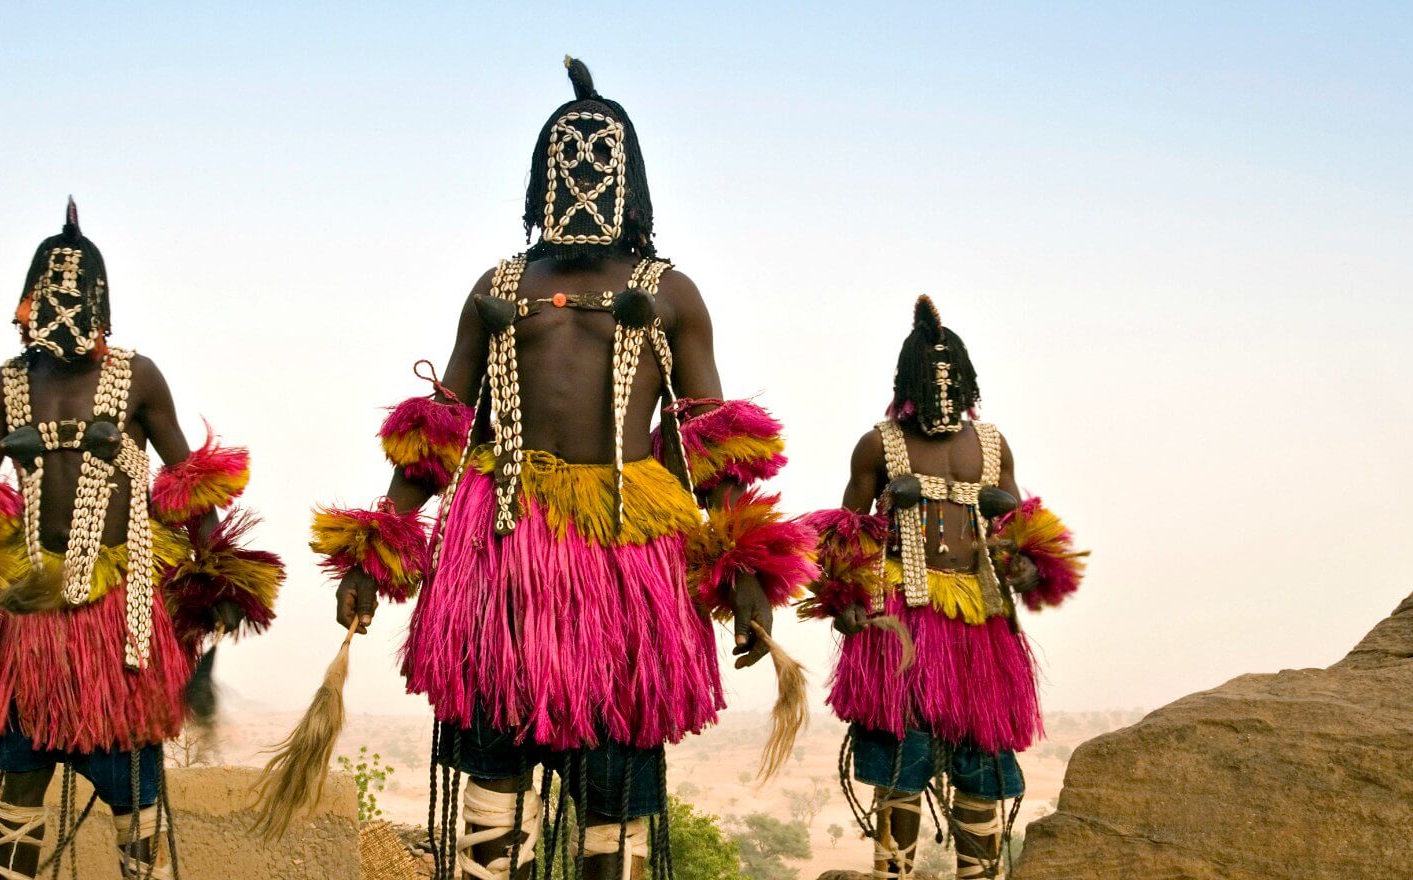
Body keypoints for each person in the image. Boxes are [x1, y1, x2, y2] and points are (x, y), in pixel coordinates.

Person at [308, 59, 815, 880]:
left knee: (615, 787)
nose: (582, 175)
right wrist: (377, 551)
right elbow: (440, 430)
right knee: (492, 777)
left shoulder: (670, 294)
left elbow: (711, 441)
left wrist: (746, 571)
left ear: (630, 181)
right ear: (542, 176)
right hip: (500, 554)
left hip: (625, 563)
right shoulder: (498, 286)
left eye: (598, 160)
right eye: (567, 160)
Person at [0, 200, 284, 879]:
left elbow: (189, 482)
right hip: (29, 620)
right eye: (51, 293)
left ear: (101, 305)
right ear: (27, 302)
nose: (64, 306)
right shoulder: (4, 386)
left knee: (136, 796)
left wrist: (224, 577)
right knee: (19, 786)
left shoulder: (138, 378)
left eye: (79, 295)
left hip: (122, 622)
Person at [797, 296, 1085, 880]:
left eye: (952, 388)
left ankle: (976, 874)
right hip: (902, 617)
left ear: (969, 384)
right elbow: (845, 534)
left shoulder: (994, 444)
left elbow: (1016, 528)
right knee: (903, 752)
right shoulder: (877, 444)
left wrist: (1026, 565)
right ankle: (894, 874)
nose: (943, 399)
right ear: (907, 386)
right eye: (931, 388)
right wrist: (844, 598)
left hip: (979, 619)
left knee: (982, 749)